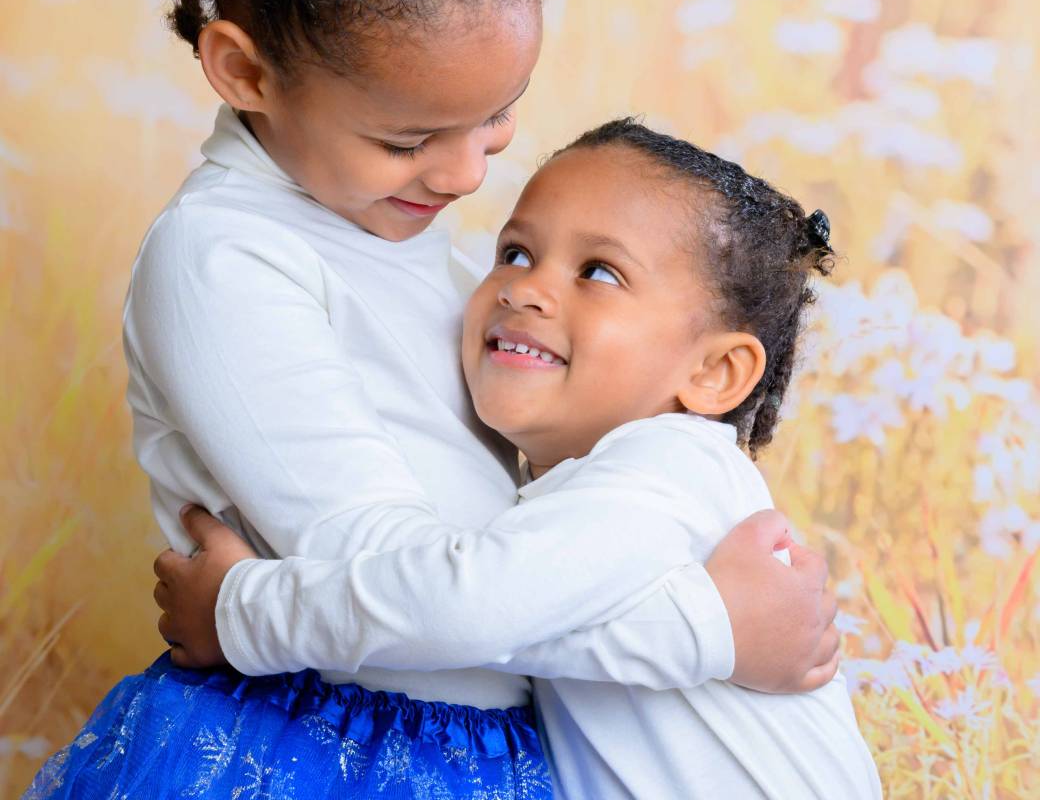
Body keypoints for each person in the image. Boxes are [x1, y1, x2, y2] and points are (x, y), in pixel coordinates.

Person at [25, 0, 837, 800]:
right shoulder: (221, 256)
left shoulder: (429, 246)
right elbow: (409, 580)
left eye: (497, 117)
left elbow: (525, 545)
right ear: (245, 72)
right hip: (326, 745)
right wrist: (707, 627)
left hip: (476, 744)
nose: (462, 175)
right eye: (406, 138)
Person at [162, 120, 880, 799]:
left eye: (599, 272)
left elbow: (469, 613)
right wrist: (717, 629)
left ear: (715, 373)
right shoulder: (588, 483)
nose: (525, 287)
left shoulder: (667, 470)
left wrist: (240, 615)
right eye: (515, 253)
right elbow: (537, 630)